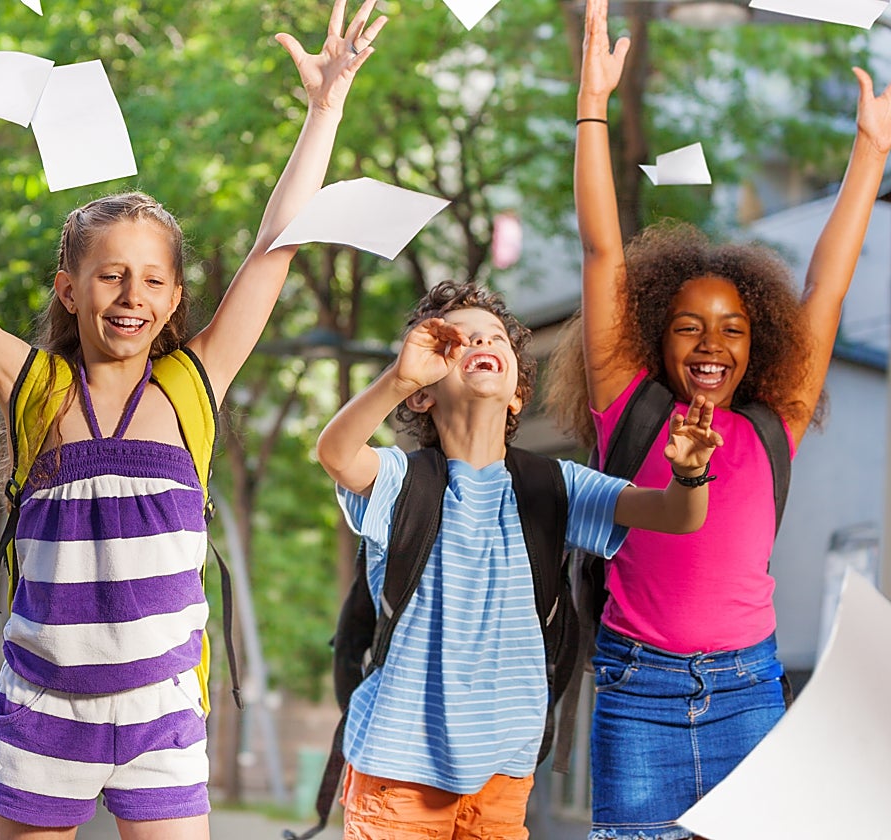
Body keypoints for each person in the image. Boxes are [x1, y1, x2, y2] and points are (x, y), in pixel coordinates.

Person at [0, 1, 387, 837]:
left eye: (151, 279)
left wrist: (324, 109)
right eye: (108, 276)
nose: (131, 294)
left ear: (175, 298)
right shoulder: (33, 387)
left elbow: (276, 246)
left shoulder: (192, 383)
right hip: (40, 710)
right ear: (70, 288)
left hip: (163, 719)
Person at [541, 0, 891, 837]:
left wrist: (872, 152)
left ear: (757, 341)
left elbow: (827, 287)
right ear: (653, 335)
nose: (711, 342)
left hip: (748, 692)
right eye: (689, 325)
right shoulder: (626, 400)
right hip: (638, 692)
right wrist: (592, 109)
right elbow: (601, 251)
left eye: (733, 328)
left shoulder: (777, 422)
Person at [315, 280, 723, 840]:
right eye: (460, 341)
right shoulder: (400, 480)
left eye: (495, 337)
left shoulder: (556, 486)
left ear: (516, 394)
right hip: (397, 770)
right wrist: (398, 378)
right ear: (424, 393)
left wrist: (690, 473)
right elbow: (335, 452)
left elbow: (679, 514)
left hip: (503, 775)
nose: (482, 341)